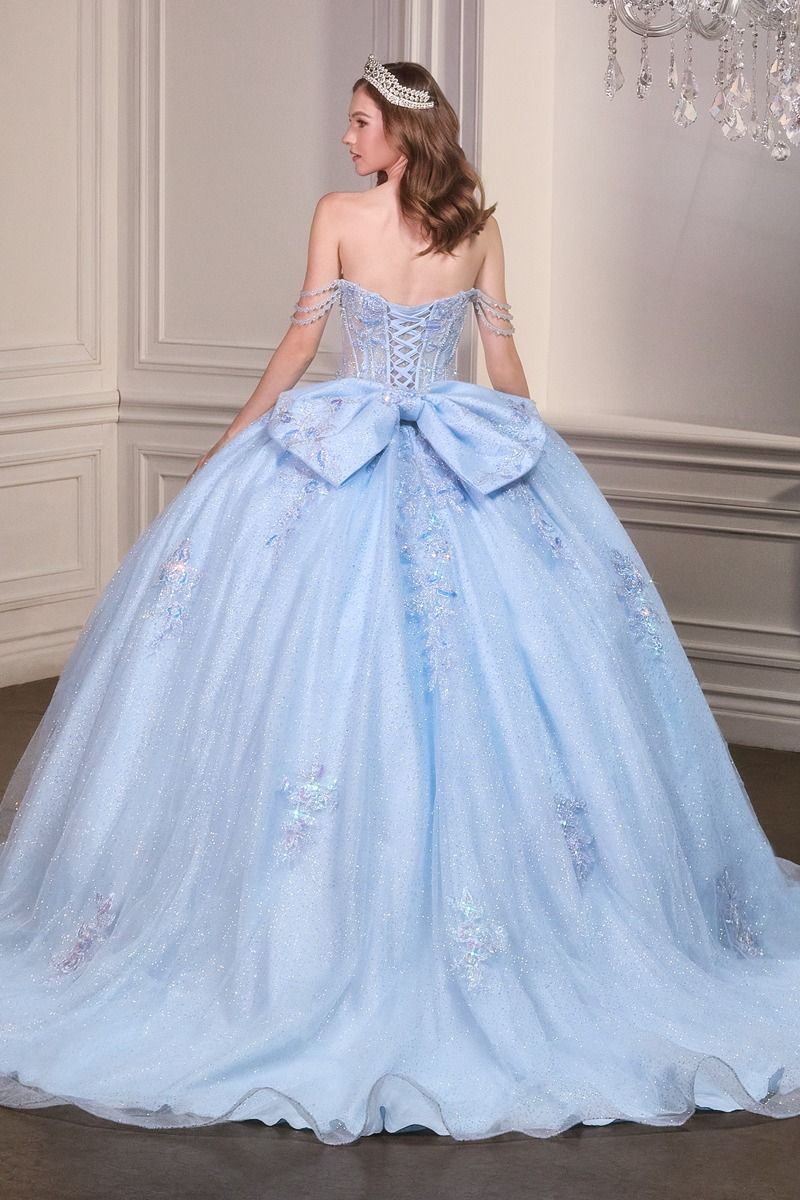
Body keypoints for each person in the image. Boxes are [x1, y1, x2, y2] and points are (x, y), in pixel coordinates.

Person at [0, 54, 799, 1148]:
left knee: (321, 679)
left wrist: (231, 445)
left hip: (343, 452)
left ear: (402, 131)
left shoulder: (339, 216)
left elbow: (300, 346)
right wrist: (527, 458)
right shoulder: (476, 227)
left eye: (359, 120)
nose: (345, 137)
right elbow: (504, 366)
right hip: (453, 447)